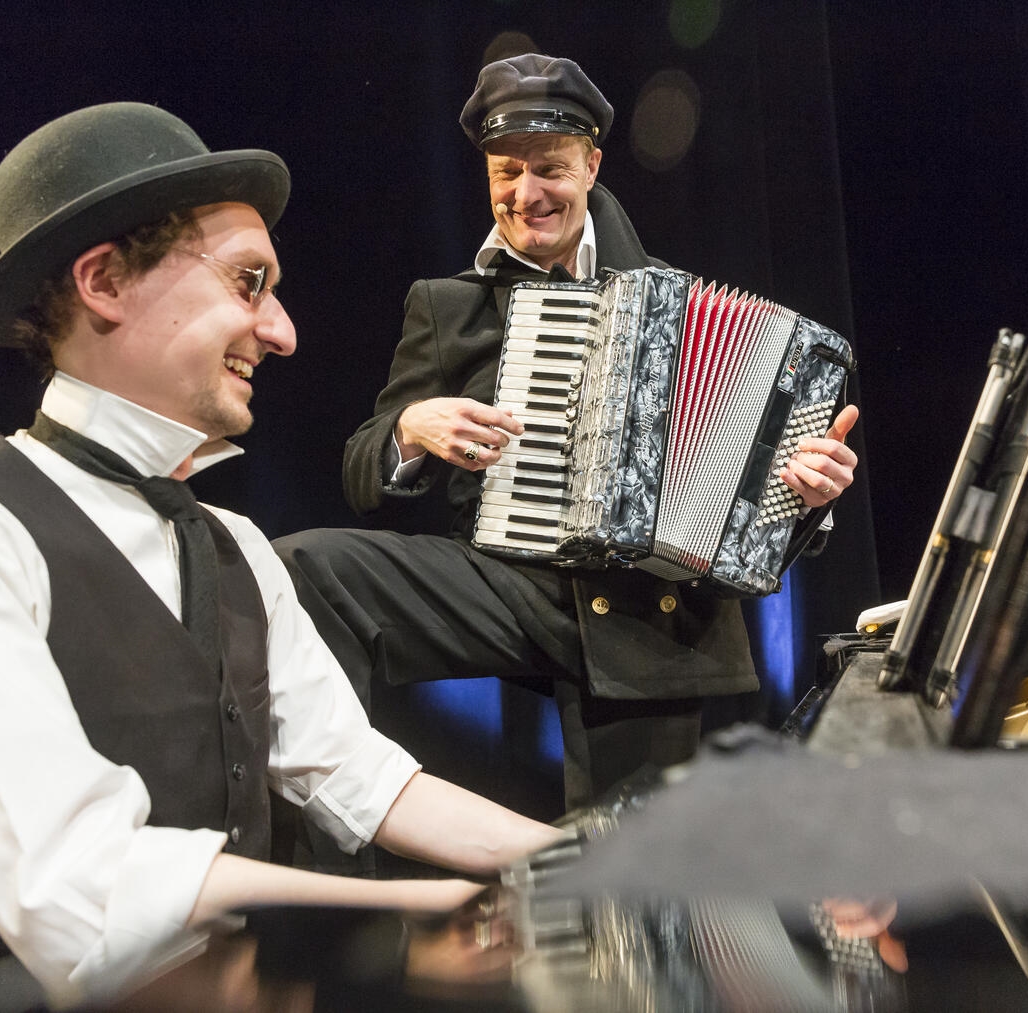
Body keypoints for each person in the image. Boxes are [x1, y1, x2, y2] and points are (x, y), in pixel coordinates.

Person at [0, 102, 560, 1012]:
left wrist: (581, 860)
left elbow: (355, 774)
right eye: (249, 283)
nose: (282, 331)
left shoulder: (234, 544)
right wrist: (412, 921)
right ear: (104, 281)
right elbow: (80, 892)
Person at [274, 54, 860, 811]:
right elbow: (363, 467)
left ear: (591, 166)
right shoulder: (447, 306)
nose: (526, 194)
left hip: (649, 607)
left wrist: (808, 496)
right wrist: (411, 429)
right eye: (506, 172)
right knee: (308, 568)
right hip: (508, 584)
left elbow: (755, 511)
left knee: (631, 846)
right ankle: (335, 846)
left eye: (549, 168)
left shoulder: (676, 300)